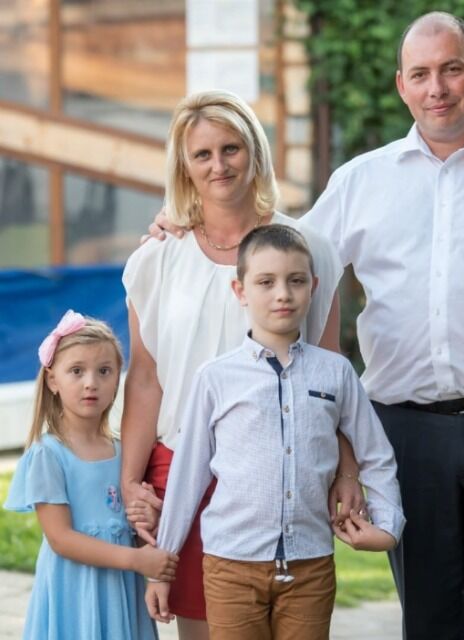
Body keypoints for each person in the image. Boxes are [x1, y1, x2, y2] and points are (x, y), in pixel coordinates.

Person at [148, 14, 464, 638]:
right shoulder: (360, 182)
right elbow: (274, 255)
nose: (436, 88)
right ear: (401, 85)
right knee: (429, 621)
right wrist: (188, 222)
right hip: (405, 437)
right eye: (420, 74)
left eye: (451, 69)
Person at [121, 90, 363, 640]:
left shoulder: (308, 247)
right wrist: (129, 480)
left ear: (255, 151)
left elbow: (332, 374)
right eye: (202, 154)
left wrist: (347, 469)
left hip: (281, 473)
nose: (219, 165)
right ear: (184, 165)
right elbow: (145, 379)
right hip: (181, 470)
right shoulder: (156, 259)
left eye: (230, 148)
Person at [144, 224, 405, 640]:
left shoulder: (336, 373)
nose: (282, 293)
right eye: (266, 282)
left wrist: (388, 527)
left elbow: (376, 454)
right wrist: (163, 568)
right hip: (231, 566)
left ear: (313, 287)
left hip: (310, 566)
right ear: (240, 290)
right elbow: (187, 477)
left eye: (295, 281)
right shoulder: (215, 378)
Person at [3, 310, 178, 640]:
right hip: (74, 592)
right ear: (52, 380)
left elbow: (135, 528)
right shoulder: (48, 454)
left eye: (104, 371)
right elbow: (61, 538)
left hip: (120, 593)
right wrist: (136, 560)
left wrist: (148, 521)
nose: (91, 383)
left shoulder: (127, 453)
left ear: (117, 379)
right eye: (76, 371)